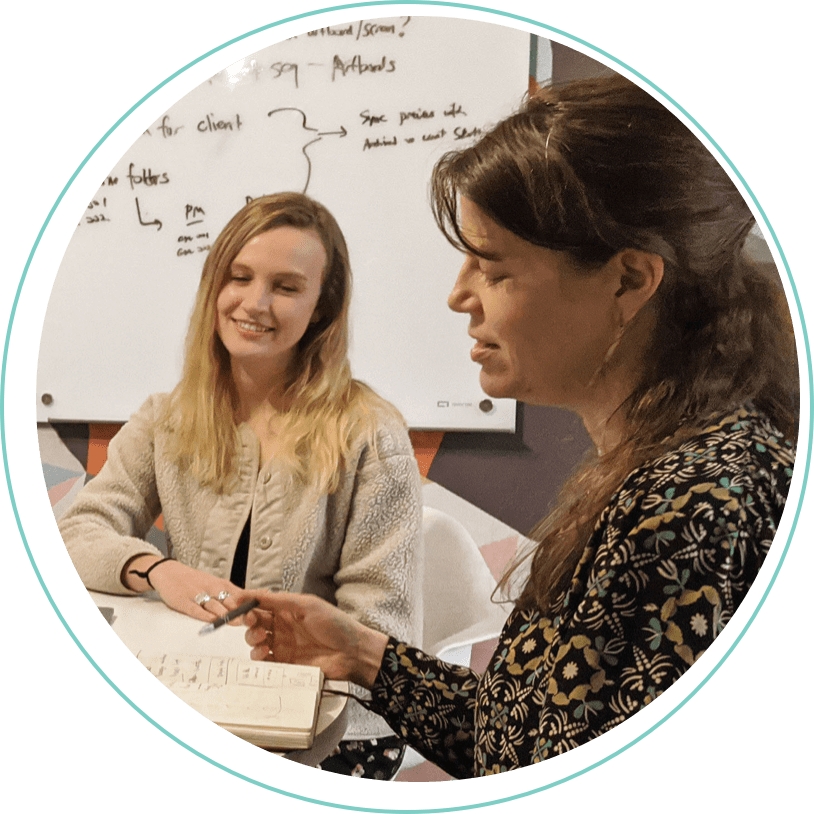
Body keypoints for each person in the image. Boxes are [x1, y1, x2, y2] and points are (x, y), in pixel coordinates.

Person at [242, 76, 798, 778]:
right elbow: (527, 731)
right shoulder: (655, 465)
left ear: (628, 281)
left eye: (493, 268)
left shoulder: (691, 507)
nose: (458, 296)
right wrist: (363, 655)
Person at [58, 192, 423, 779]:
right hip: (195, 700)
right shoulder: (164, 417)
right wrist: (159, 571)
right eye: (240, 277)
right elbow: (77, 534)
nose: (255, 303)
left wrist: (284, 713)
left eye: (285, 286)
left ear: (321, 308)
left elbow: (382, 632)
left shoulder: (371, 435)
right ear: (214, 288)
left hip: (324, 728)